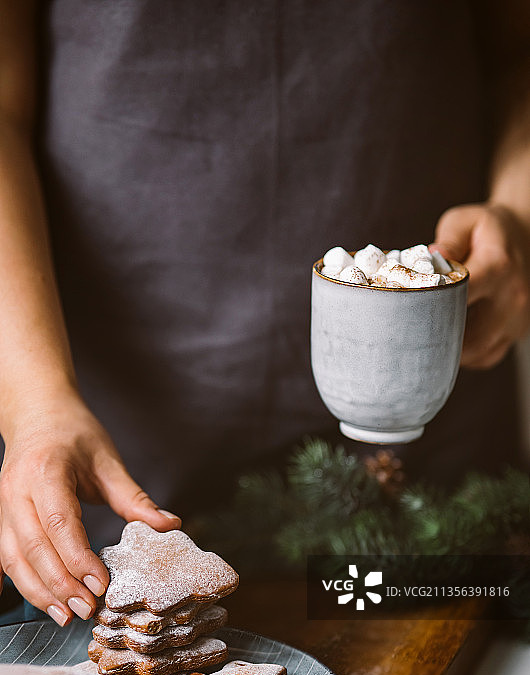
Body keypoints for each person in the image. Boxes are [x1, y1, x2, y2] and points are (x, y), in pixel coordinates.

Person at [0, 0, 528, 627]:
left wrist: (520, 213)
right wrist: (34, 404)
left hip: (433, 471)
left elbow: (518, 55)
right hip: (118, 455)